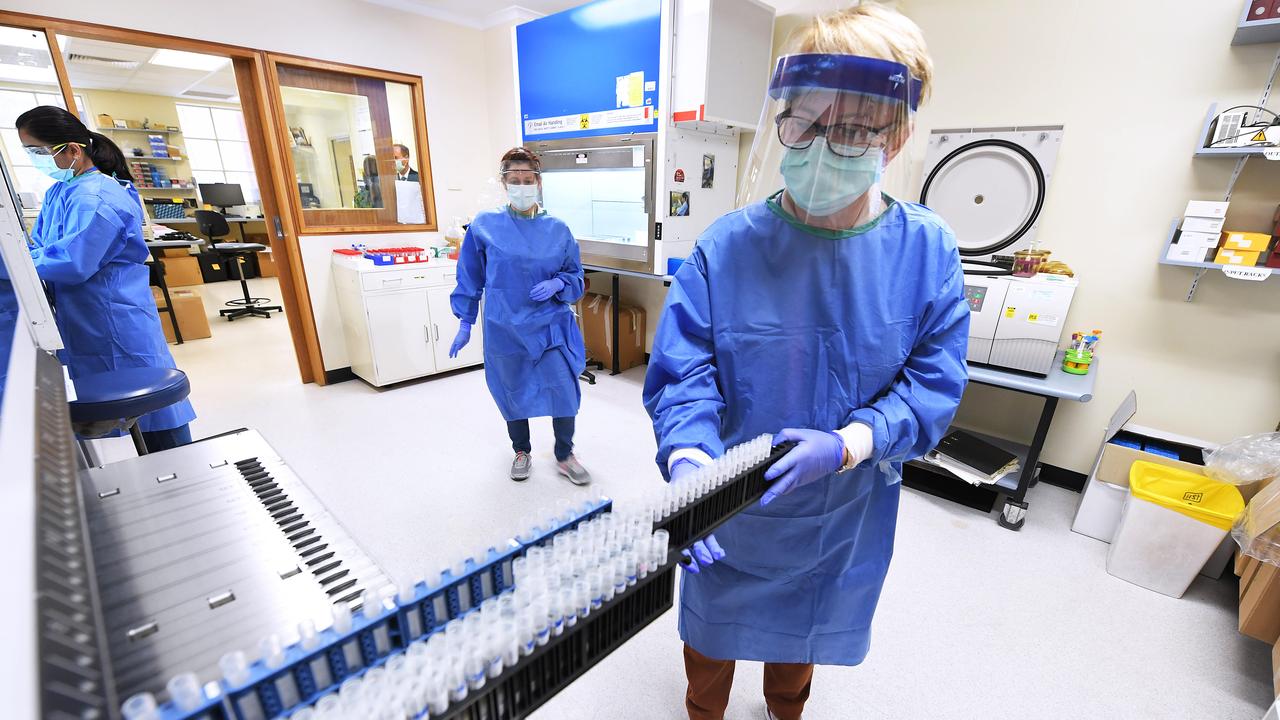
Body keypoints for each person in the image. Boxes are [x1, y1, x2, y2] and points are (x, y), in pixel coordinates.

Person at [642, 7, 970, 720]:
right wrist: (691, 462)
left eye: (851, 128)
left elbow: (931, 384)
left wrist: (853, 441)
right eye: (804, 121)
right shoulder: (726, 248)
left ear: (899, 135)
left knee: (800, 646)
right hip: (730, 510)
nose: (822, 146)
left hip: (839, 515)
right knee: (710, 644)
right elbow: (685, 370)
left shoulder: (926, 253)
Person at [16, 106, 196, 450]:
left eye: (39, 151)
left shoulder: (98, 197)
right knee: (114, 404)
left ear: (72, 149)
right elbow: (40, 245)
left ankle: (185, 471)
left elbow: (73, 261)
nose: (35, 159)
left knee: (155, 410)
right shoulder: (59, 192)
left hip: (116, 317)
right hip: (84, 315)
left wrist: (19, 262)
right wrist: (27, 255)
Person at [449, 147, 592, 485]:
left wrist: (558, 282)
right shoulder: (485, 226)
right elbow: (469, 276)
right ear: (505, 183)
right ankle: (521, 451)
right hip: (505, 327)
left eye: (528, 180)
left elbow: (575, 277)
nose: (523, 186)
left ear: (538, 183)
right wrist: (465, 321)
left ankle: (564, 454)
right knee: (512, 390)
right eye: (515, 180)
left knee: (564, 392)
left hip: (549, 327)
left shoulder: (558, 229)